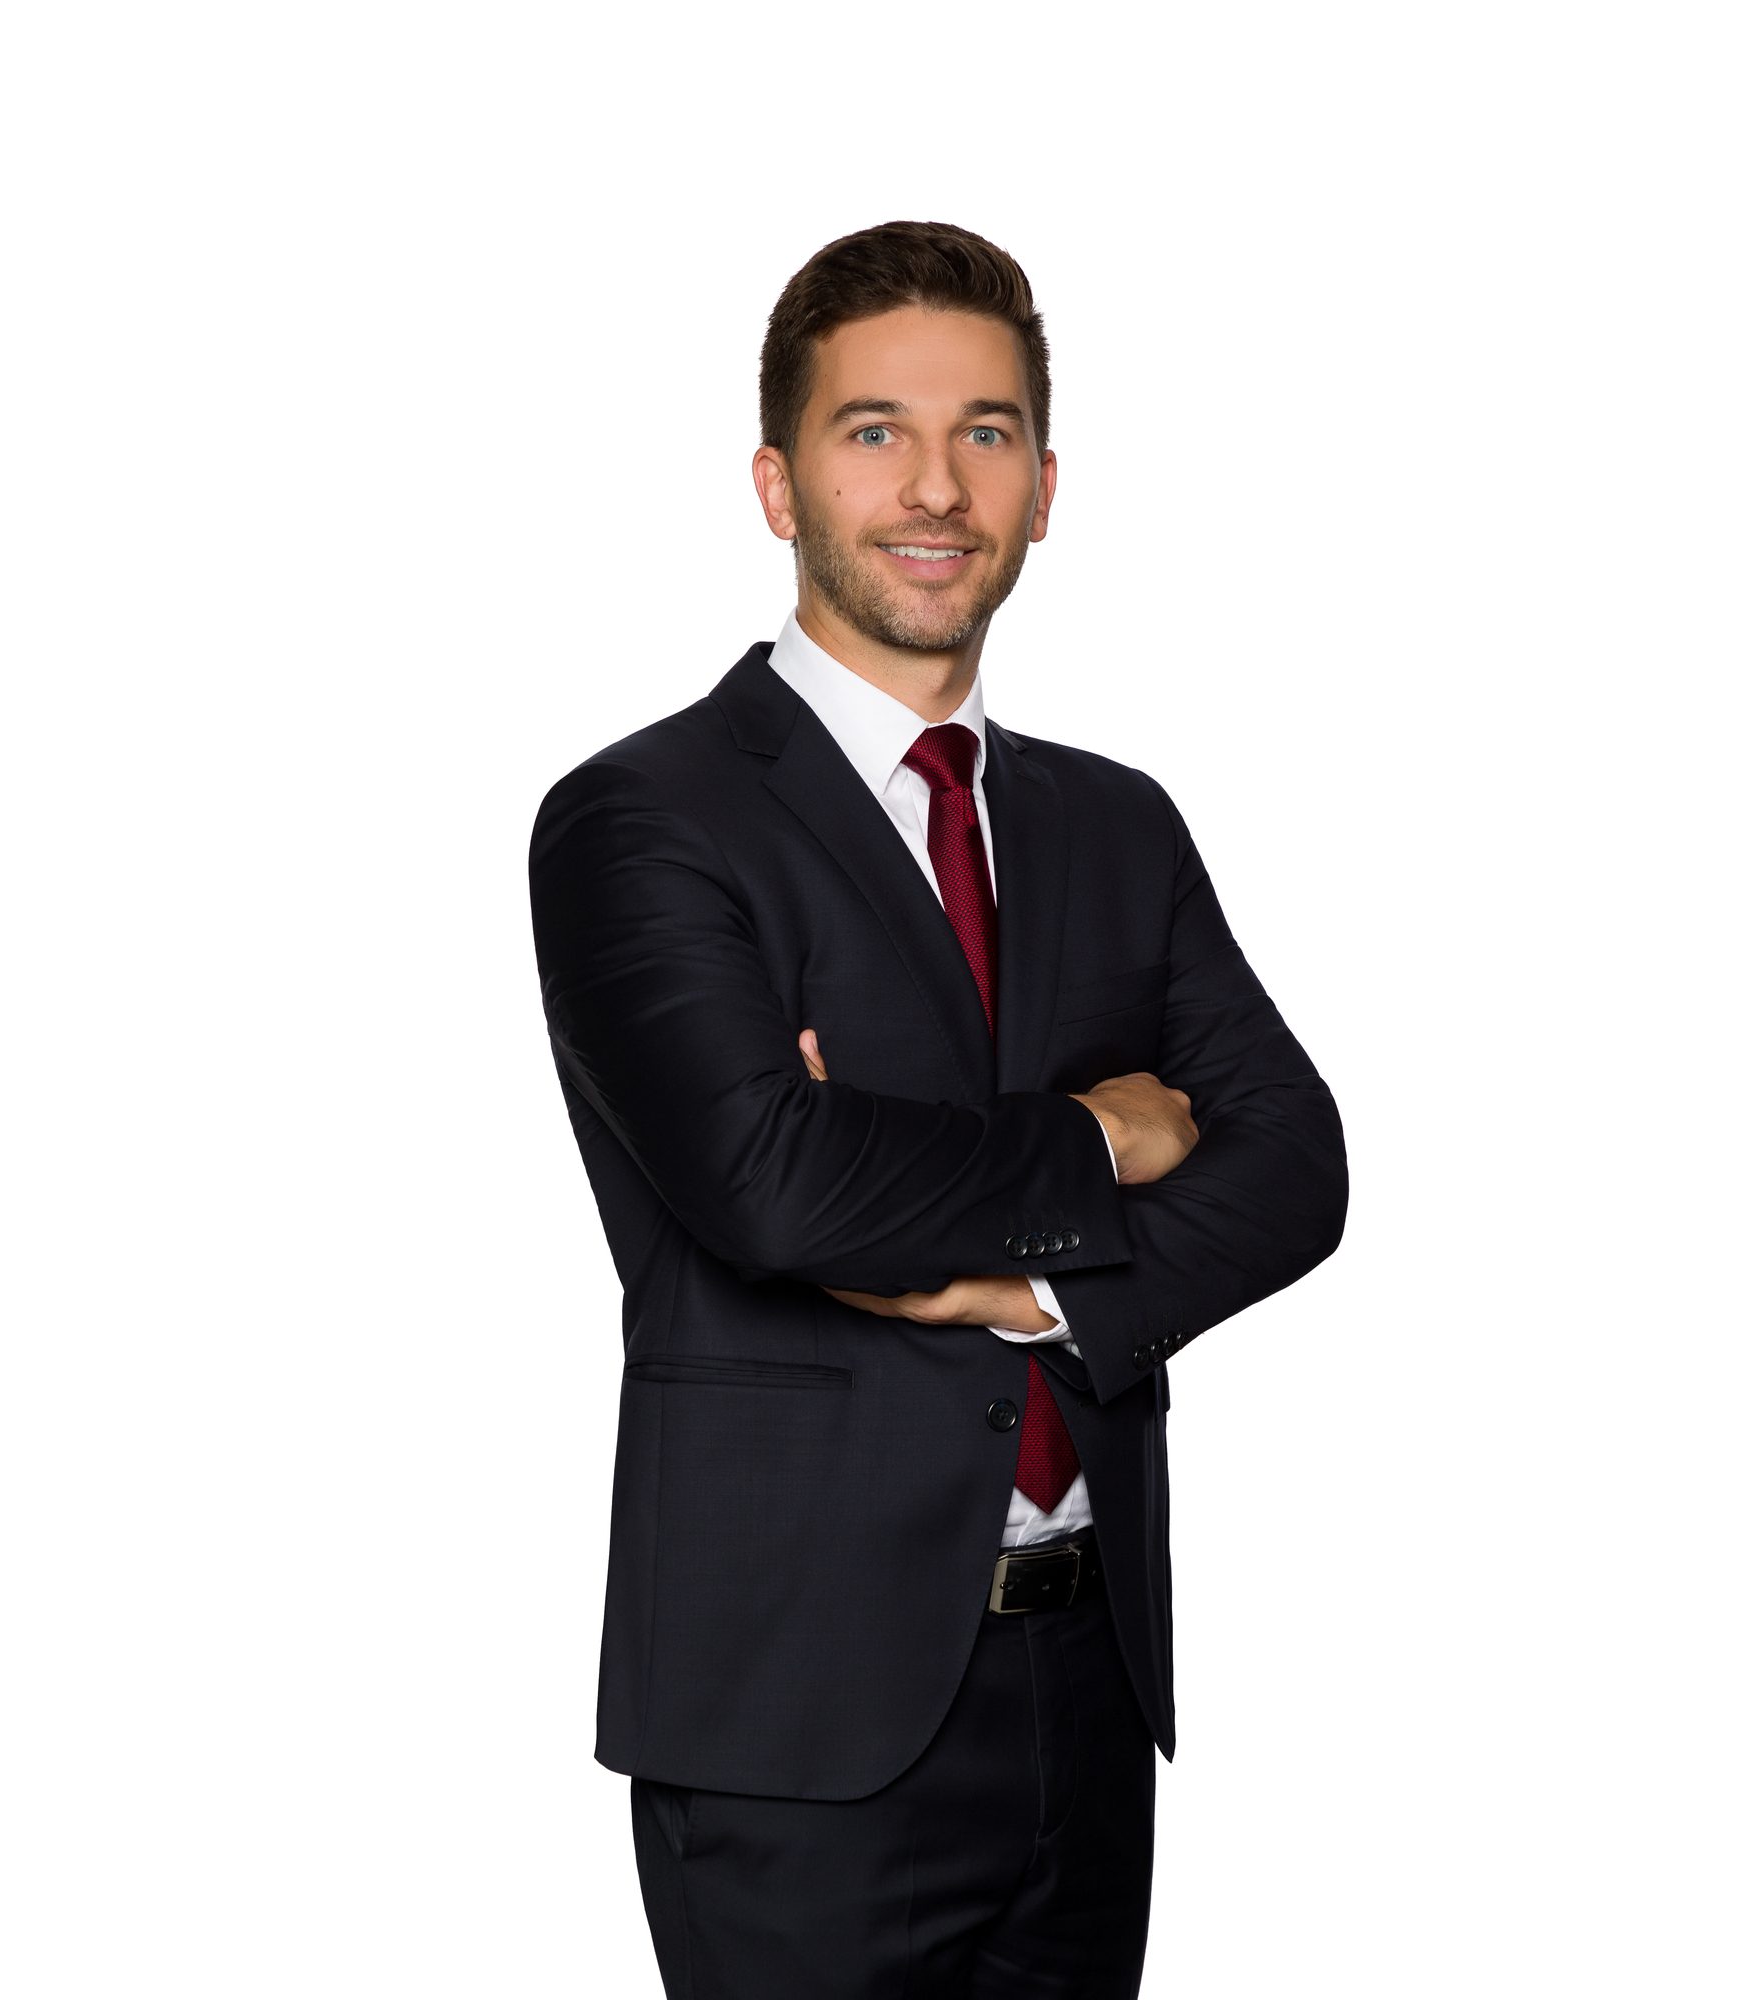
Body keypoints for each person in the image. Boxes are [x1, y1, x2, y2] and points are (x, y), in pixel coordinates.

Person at [527, 218, 1348, 1998]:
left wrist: (1036, 1287)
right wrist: (1110, 1139)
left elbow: (1297, 1167)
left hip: (1087, 1685)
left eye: (986, 432)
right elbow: (776, 1183)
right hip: (793, 1711)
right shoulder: (644, 818)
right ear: (778, 483)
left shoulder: (1115, 824)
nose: (935, 486)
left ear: (1046, 487)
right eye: (873, 430)